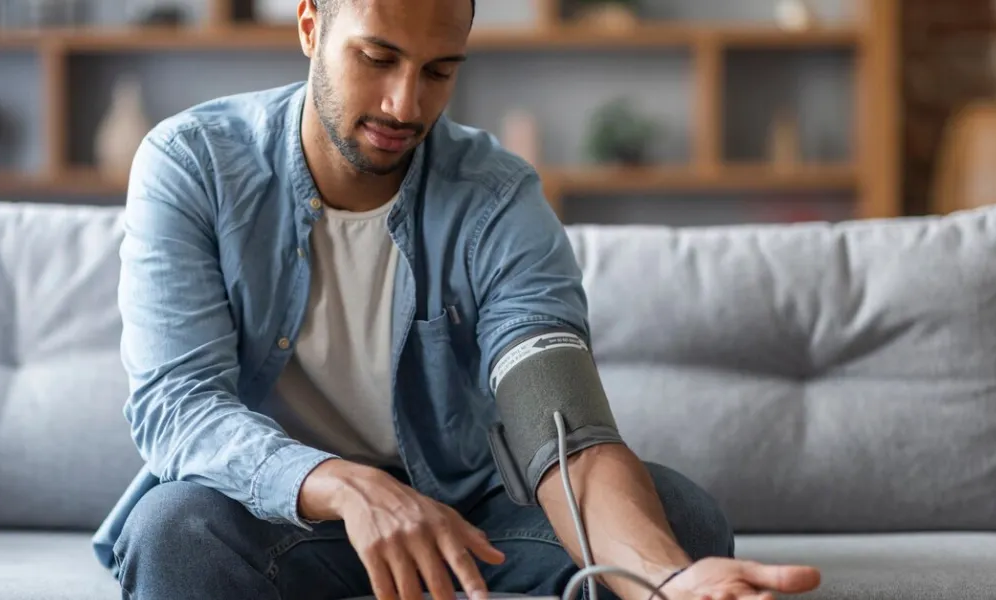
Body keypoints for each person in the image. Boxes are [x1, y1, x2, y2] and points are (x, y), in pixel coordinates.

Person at [91, 0, 824, 599]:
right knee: (175, 533)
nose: (405, 104)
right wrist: (348, 488)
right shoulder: (192, 164)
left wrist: (668, 579)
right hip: (275, 512)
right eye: (377, 58)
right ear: (310, 25)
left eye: (438, 71)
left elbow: (558, 421)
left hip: (461, 514)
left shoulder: (498, 198)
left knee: (682, 522)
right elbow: (177, 404)